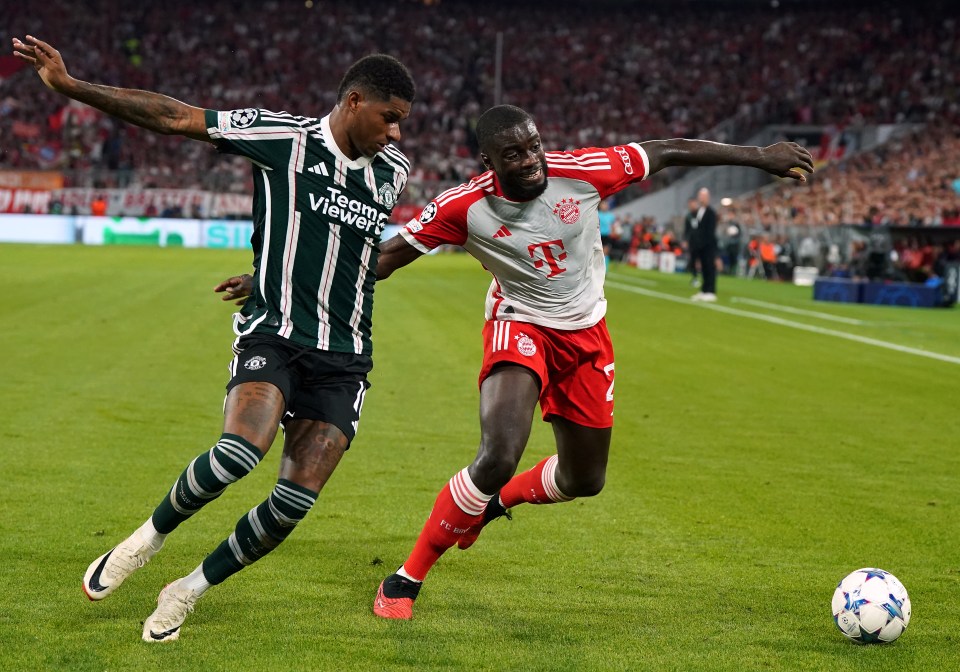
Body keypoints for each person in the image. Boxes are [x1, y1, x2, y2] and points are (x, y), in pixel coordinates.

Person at [221, 106, 812, 621]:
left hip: (586, 335)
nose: (531, 161)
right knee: (499, 452)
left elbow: (665, 151)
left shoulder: (583, 172)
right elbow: (383, 258)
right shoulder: (465, 206)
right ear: (489, 160)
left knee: (586, 480)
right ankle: (406, 576)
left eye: (534, 147)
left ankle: (494, 504)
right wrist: (277, 281)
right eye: (515, 154)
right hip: (519, 324)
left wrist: (760, 156)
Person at [12, 34, 415, 642]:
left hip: (345, 356)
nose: (397, 135)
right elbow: (176, 116)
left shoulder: (393, 171)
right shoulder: (283, 138)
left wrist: (269, 268)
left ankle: (186, 591)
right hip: (275, 334)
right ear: (354, 101)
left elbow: (351, 251)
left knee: (293, 504)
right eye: (390, 118)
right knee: (238, 453)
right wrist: (72, 87)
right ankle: (143, 542)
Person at [690, 187, 719, 301]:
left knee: (709, 267)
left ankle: (711, 291)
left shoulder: (711, 212)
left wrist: (703, 243)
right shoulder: (698, 211)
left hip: (708, 245)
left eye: (703, 196)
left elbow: (710, 231)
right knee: (703, 268)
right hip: (700, 246)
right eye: (700, 196)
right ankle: (704, 290)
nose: (701, 198)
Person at [682, 197, 700, 286]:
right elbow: (686, 229)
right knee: (693, 259)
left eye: (692, 203)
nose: (691, 205)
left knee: (703, 259)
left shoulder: (701, 214)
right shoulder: (689, 216)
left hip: (701, 240)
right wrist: (685, 240)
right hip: (693, 241)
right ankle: (695, 277)